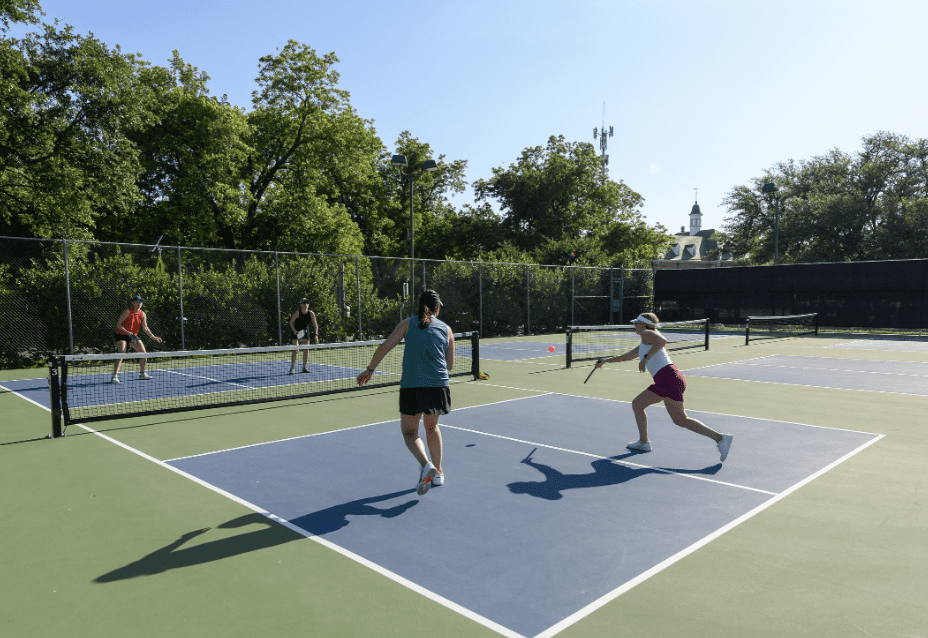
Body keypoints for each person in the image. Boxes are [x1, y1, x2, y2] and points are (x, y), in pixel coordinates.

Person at [595, 312, 733, 462]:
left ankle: (719, 439)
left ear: (642, 324)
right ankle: (719, 438)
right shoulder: (644, 342)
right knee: (672, 417)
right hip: (669, 379)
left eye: (636, 323)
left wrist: (645, 360)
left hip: (668, 378)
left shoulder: (648, 333)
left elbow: (662, 340)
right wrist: (605, 361)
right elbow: (627, 356)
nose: (634, 326)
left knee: (654, 410)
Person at [356, 289, 454, 496]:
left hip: (413, 386)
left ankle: (425, 464)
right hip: (439, 385)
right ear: (437, 309)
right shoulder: (447, 330)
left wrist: (370, 370)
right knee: (432, 428)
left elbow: (384, 348)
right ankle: (439, 473)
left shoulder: (407, 323)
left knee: (410, 433)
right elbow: (450, 366)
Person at [112, 295, 163, 383]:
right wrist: (128, 333)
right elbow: (118, 325)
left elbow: (145, 327)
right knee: (122, 353)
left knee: (143, 354)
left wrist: (153, 337)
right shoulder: (127, 311)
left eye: (141, 302)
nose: (140, 303)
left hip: (133, 336)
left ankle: (142, 374)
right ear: (133, 303)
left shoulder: (142, 314)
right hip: (122, 335)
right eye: (138, 301)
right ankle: (115, 376)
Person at [288, 298, 319, 374]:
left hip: (305, 333)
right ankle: (292, 368)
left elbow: (315, 325)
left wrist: (316, 335)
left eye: (307, 303)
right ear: (301, 305)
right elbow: (291, 323)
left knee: (306, 350)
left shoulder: (311, 313)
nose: (306, 304)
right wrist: (295, 331)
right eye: (304, 303)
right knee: (296, 350)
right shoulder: (297, 313)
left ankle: (304, 368)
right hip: (296, 332)